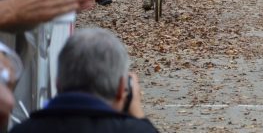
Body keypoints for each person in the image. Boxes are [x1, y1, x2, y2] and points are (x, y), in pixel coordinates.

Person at [9, 28, 159, 133]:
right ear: (122, 88)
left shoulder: (23, 129)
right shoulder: (135, 130)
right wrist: (139, 115)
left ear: (58, 82)